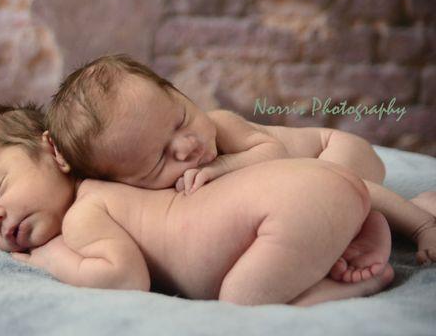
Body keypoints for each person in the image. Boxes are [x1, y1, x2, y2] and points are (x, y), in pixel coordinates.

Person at [0, 103, 394, 306]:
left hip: (284, 211)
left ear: (53, 151)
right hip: (309, 191)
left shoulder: (88, 208)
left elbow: (124, 278)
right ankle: (361, 230)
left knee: (240, 301)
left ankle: (353, 286)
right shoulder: (132, 173)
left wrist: (47, 262)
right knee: (320, 212)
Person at [46, 54, 436, 274]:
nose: (187, 147)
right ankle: (402, 212)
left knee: (343, 183)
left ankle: (421, 224)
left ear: (178, 92)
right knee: (331, 217)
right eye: (157, 161)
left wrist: (223, 169)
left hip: (331, 152)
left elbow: (273, 155)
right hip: (303, 201)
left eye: (180, 119)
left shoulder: (220, 126)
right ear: (126, 182)